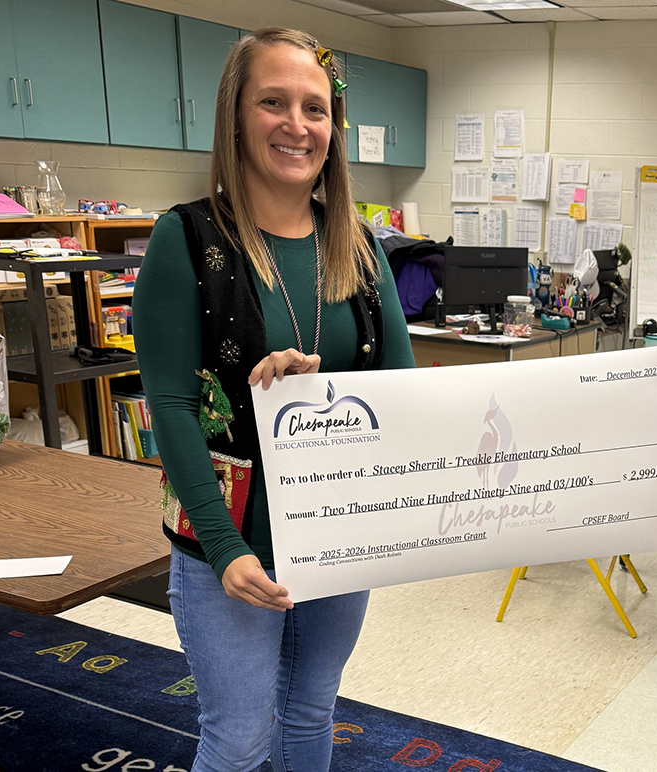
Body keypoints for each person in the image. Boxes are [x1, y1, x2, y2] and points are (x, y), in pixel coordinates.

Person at [133, 28, 414, 771]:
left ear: (334, 128)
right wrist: (224, 548)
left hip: (337, 528)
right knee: (238, 739)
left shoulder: (359, 247)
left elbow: (402, 393)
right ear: (235, 117)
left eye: (315, 108)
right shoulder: (186, 239)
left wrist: (323, 394)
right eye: (273, 103)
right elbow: (170, 406)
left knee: (311, 711)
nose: (297, 125)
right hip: (227, 536)